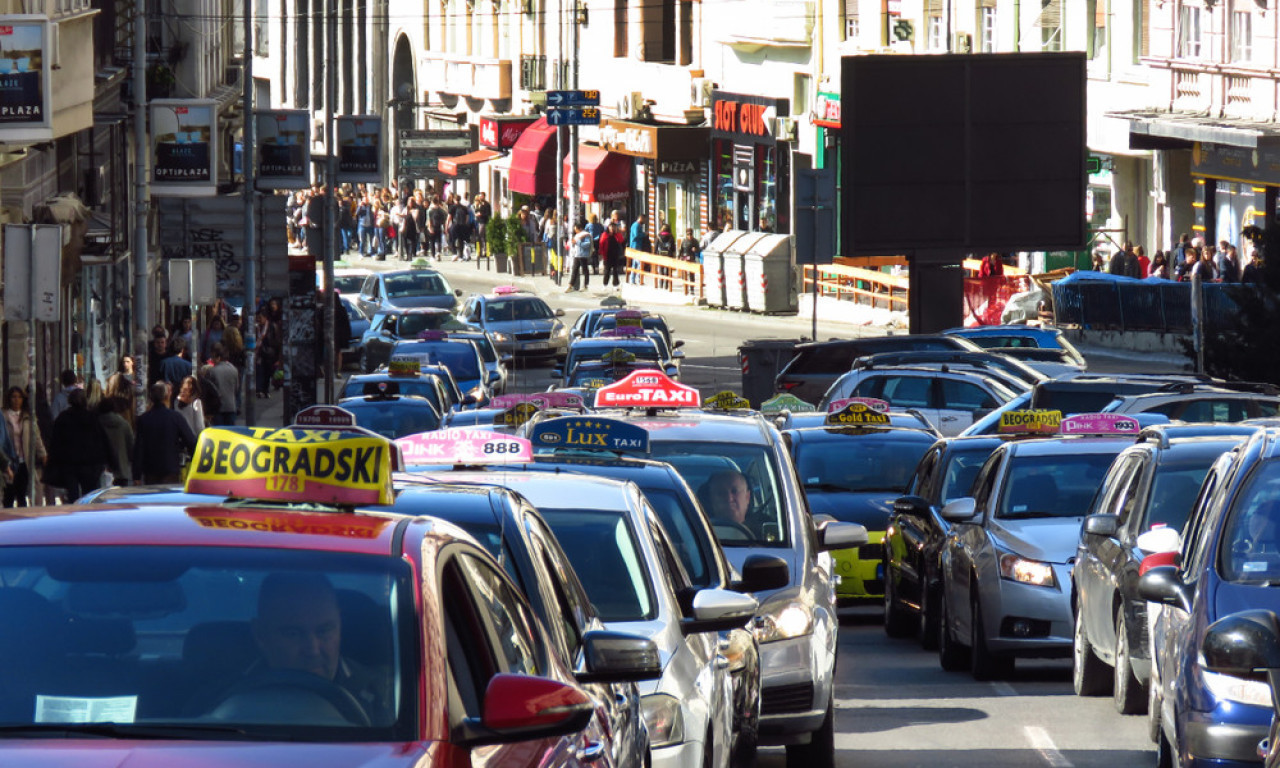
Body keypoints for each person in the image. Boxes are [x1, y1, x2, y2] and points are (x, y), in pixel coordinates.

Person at [244, 572, 391, 723]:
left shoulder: (387, 693)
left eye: (324, 631)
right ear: (260, 634)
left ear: (340, 626)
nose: (313, 650)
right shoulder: (234, 694)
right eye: (293, 633)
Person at [48, 389, 113, 500]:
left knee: (72, 494)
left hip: (69, 464)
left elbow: (56, 441)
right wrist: (107, 461)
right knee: (89, 494)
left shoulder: (63, 418)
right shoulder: (92, 418)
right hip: (89, 464)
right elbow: (101, 440)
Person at [133, 382, 198, 485]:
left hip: (150, 470)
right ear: (167, 396)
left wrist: (136, 475)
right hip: (171, 468)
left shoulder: (143, 419)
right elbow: (191, 441)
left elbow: (139, 448)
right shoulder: (175, 417)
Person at [2, 387, 45, 507]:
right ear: (9, 399)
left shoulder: (28, 417)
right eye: (14, 397)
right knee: (9, 494)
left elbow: (36, 437)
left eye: (19, 397)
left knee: (22, 494)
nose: (16, 400)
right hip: (9, 460)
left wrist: (43, 453)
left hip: (23, 460)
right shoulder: (3, 416)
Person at [98, 396, 134, 488]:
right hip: (121, 469)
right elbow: (131, 445)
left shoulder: (96, 423)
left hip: (102, 469)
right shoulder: (124, 424)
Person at [205, 343, 240, 426]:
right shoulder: (234, 369)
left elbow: (208, 390)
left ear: (218, 358)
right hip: (231, 406)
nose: (211, 359)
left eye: (213, 357)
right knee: (230, 431)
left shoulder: (212, 371)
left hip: (217, 408)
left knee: (219, 430)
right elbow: (236, 388)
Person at [255, 302, 283, 399]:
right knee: (259, 371)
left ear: (265, 318)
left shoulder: (272, 327)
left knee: (267, 372)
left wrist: (277, 357)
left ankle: (265, 390)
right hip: (259, 353)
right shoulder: (256, 327)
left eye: (260, 318)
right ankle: (259, 390)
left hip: (269, 354)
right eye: (257, 318)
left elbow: (277, 342)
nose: (258, 320)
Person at [567, 221, 594, 293]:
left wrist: (577, 242)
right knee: (574, 270)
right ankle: (570, 285)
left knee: (585, 271)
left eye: (576, 229)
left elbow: (587, 244)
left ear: (580, 228)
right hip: (577, 255)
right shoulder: (577, 235)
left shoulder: (585, 235)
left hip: (583, 255)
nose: (575, 231)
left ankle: (585, 285)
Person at [601, 221, 626, 288]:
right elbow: (601, 244)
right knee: (607, 271)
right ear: (608, 227)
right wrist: (601, 254)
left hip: (615, 255)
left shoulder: (617, 235)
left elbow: (623, 243)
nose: (612, 228)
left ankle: (615, 284)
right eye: (611, 227)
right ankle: (605, 284)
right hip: (607, 255)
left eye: (614, 227)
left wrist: (624, 251)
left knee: (615, 271)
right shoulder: (604, 235)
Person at [473, 193, 492, 260]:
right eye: (480, 196)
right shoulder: (479, 204)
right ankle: (480, 252)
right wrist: (476, 209)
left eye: (481, 196)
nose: (480, 197)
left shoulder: (487, 204)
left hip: (484, 222)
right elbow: (476, 211)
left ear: (484, 196)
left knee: (481, 237)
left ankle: (486, 252)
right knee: (481, 238)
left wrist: (481, 214)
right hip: (478, 222)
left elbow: (488, 214)